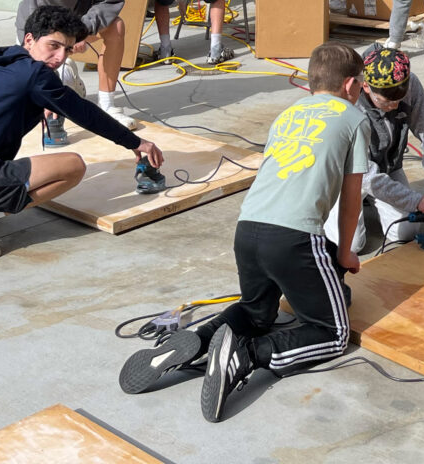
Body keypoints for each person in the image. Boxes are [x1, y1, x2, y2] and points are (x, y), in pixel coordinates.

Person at [118, 42, 369, 422]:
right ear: (351, 86)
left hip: (248, 228)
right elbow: (351, 200)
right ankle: (247, 356)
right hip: (294, 237)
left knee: (257, 311)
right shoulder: (353, 118)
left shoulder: (286, 116)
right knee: (332, 330)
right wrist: (346, 253)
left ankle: (200, 339)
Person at [0, 5, 164, 265]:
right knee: (71, 166)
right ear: (29, 40)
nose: (59, 57)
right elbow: (83, 112)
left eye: (67, 49)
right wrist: (136, 142)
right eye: (53, 46)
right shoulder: (36, 76)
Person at [324, 44, 424, 253]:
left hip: (387, 168)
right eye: (385, 102)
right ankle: (326, 209)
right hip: (348, 175)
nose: (393, 107)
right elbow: (366, 175)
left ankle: (367, 204)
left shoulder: (410, 85)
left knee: (405, 233)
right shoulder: (348, 104)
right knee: (351, 245)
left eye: (398, 101)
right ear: (366, 87)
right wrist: (417, 202)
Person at [15, 0, 133, 133]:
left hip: (78, 26)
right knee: (44, 92)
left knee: (117, 27)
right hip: (39, 33)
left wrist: (82, 31)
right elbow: (40, 32)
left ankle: (107, 105)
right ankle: (68, 79)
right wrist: (67, 42)